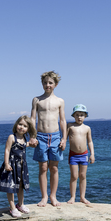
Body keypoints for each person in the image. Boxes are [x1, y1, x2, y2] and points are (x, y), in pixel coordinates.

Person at [29, 71, 67, 207]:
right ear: (42, 84)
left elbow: (62, 120)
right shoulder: (37, 100)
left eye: (50, 83)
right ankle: (44, 196)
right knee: (43, 167)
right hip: (41, 137)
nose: (47, 85)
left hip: (56, 137)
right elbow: (32, 119)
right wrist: (32, 136)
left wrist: (64, 139)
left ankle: (53, 196)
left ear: (55, 84)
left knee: (54, 168)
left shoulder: (60, 101)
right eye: (45, 82)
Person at [0, 115, 37, 217]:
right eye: (20, 124)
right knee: (11, 187)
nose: (22, 127)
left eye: (25, 126)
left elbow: (24, 146)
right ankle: (12, 207)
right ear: (16, 125)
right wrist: (6, 164)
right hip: (11, 166)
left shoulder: (24, 139)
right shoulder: (11, 137)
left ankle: (20, 204)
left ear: (28, 129)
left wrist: (32, 144)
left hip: (21, 167)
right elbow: (7, 150)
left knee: (21, 185)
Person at [66, 104, 95, 204]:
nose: (79, 117)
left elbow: (90, 141)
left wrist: (92, 154)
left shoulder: (87, 128)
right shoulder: (70, 125)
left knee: (82, 176)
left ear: (85, 116)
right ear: (73, 116)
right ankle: (72, 197)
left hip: (84, 154)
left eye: (82, 115)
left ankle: (82, 197)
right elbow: (64, 138)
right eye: (77, 115)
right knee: (74, 176)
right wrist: (62, 145)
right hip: (73, 155)